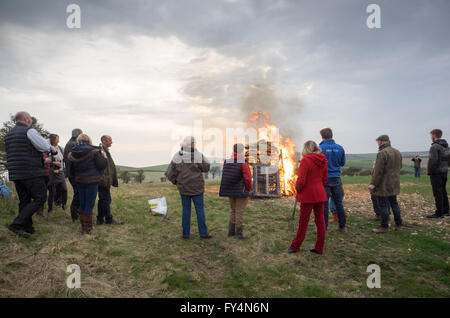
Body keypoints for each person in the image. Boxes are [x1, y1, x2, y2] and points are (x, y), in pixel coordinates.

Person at [5, 112, 56, 238]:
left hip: (16, 173)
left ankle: (27, 228)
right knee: (41, 198)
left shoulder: (8, 134)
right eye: (30, 119)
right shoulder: (29, 131)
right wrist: (52, 149)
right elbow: (43, 146)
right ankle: (16, 224)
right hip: (31, 172)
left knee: (24, 200)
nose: (31, 121)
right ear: (27, 119)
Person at [165, 136, 212, 239]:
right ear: (192, 144)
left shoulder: (177, 156)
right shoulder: (197, 155)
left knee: (186, 210)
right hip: (197, 188)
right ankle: (203, 233)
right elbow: (207, 167)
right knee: (200, 210)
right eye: (194, 143)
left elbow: (170, 172)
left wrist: (176, 182)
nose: (195, 145)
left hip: (184, 188)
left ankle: (185, 234)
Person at [285, 141, 328, 255]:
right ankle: (319, 248)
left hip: (308, 195)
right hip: (320, 193)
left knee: (303, 222)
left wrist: (297, 188)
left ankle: (295, 246)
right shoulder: (323, 160)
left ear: (306, 149)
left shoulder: (305, 160)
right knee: (320, 221)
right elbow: (324, 179)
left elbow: (301, 181)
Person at [68, 134, 107, 234]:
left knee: (83, 202)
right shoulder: (95, 150)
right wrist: (104, 157)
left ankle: (83, 225)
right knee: (89, 203)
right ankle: (87, 228)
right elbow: (101, 165)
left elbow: (71, 170)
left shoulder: (73, 151)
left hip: (80, 180)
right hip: (92, 180)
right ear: (89, 140)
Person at [369, 135, 403, 233]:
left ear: (381, 142)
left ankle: (384, 227)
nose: (378, 143)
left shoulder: (382, 153)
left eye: (378, 141)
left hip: (383, 183)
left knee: (383, 205)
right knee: (394, 203)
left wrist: (373, 183)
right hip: (395, 182)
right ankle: (398, 224)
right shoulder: (397, 152)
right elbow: (400, 166)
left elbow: (378, 171)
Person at [219, 143, 252, 239]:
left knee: (233, 210)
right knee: (239, 211)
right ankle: (239, 233)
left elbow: (226, 176)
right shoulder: (243, 162)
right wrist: (248, 189)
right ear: (242, 151)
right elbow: (248, 179)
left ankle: (231, 232)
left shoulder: (227, 161)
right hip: (240, 191)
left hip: (230, 190)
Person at [319, 128, 347, 232]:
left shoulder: (320, 148)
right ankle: (342, 226)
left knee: (324, 204)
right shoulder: (340, 148)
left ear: (322, 136)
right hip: (336, 178)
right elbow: (342, 163)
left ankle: (324, 228)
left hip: (325, 179)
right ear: (331, 135)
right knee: (338, 203)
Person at [97, 135, 121, 225]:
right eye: (110, 140)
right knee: (105, 200)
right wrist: (105, 178)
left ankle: (100, 219)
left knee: (103, 200)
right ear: (104, 141)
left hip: (105, 179)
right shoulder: (101, 151)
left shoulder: (104, 150)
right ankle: (108, 219)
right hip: (104, 180)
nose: (111, 142)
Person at [426, 129, 449, 219]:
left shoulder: (434, 147)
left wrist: (430, 171)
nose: (430, 137)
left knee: (437, 193)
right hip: (444, 171)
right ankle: (446, 211)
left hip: (436, 173)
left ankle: (439, 213)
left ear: (434, 135)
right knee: (443, 191)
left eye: (431, 135)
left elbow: (433, 161)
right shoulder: (446, 146)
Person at [64, 128, 83, 222]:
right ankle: (75, 215)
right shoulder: (74, 144)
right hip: (74, 173)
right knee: (78, 194)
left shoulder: (69, 143)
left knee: (78, 194)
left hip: (70, 172)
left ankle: (76, 214)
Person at [47, 134, 67, 214]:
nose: (58, 140)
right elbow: (46, 159)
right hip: (52, 171)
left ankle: (64, 206)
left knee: (64, 189)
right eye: (57, 139)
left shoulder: (61, 149)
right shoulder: (48, 148)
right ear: (53, 140)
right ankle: (50, 209)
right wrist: (54, 162)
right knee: (52, 191)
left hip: (60, 171)